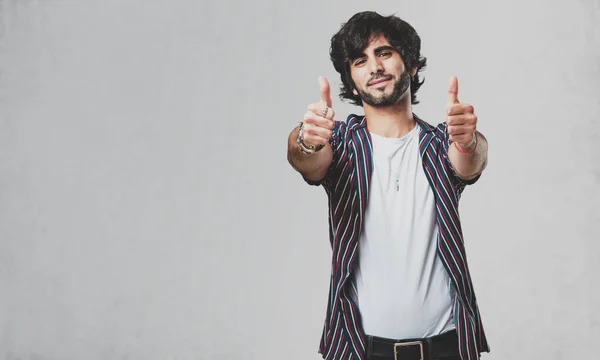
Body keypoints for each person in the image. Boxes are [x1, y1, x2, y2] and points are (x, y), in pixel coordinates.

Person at [286, 11, 491, 360]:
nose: (374, 67)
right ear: (351, 83)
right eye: (360, 60)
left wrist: (469, 142)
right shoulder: (342, 144)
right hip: (360, 348)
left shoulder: (441, 144)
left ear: (410, 65)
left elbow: (469, 161)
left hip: (448, 347)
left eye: (384, 53)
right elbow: (306, 158)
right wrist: (307, 140)